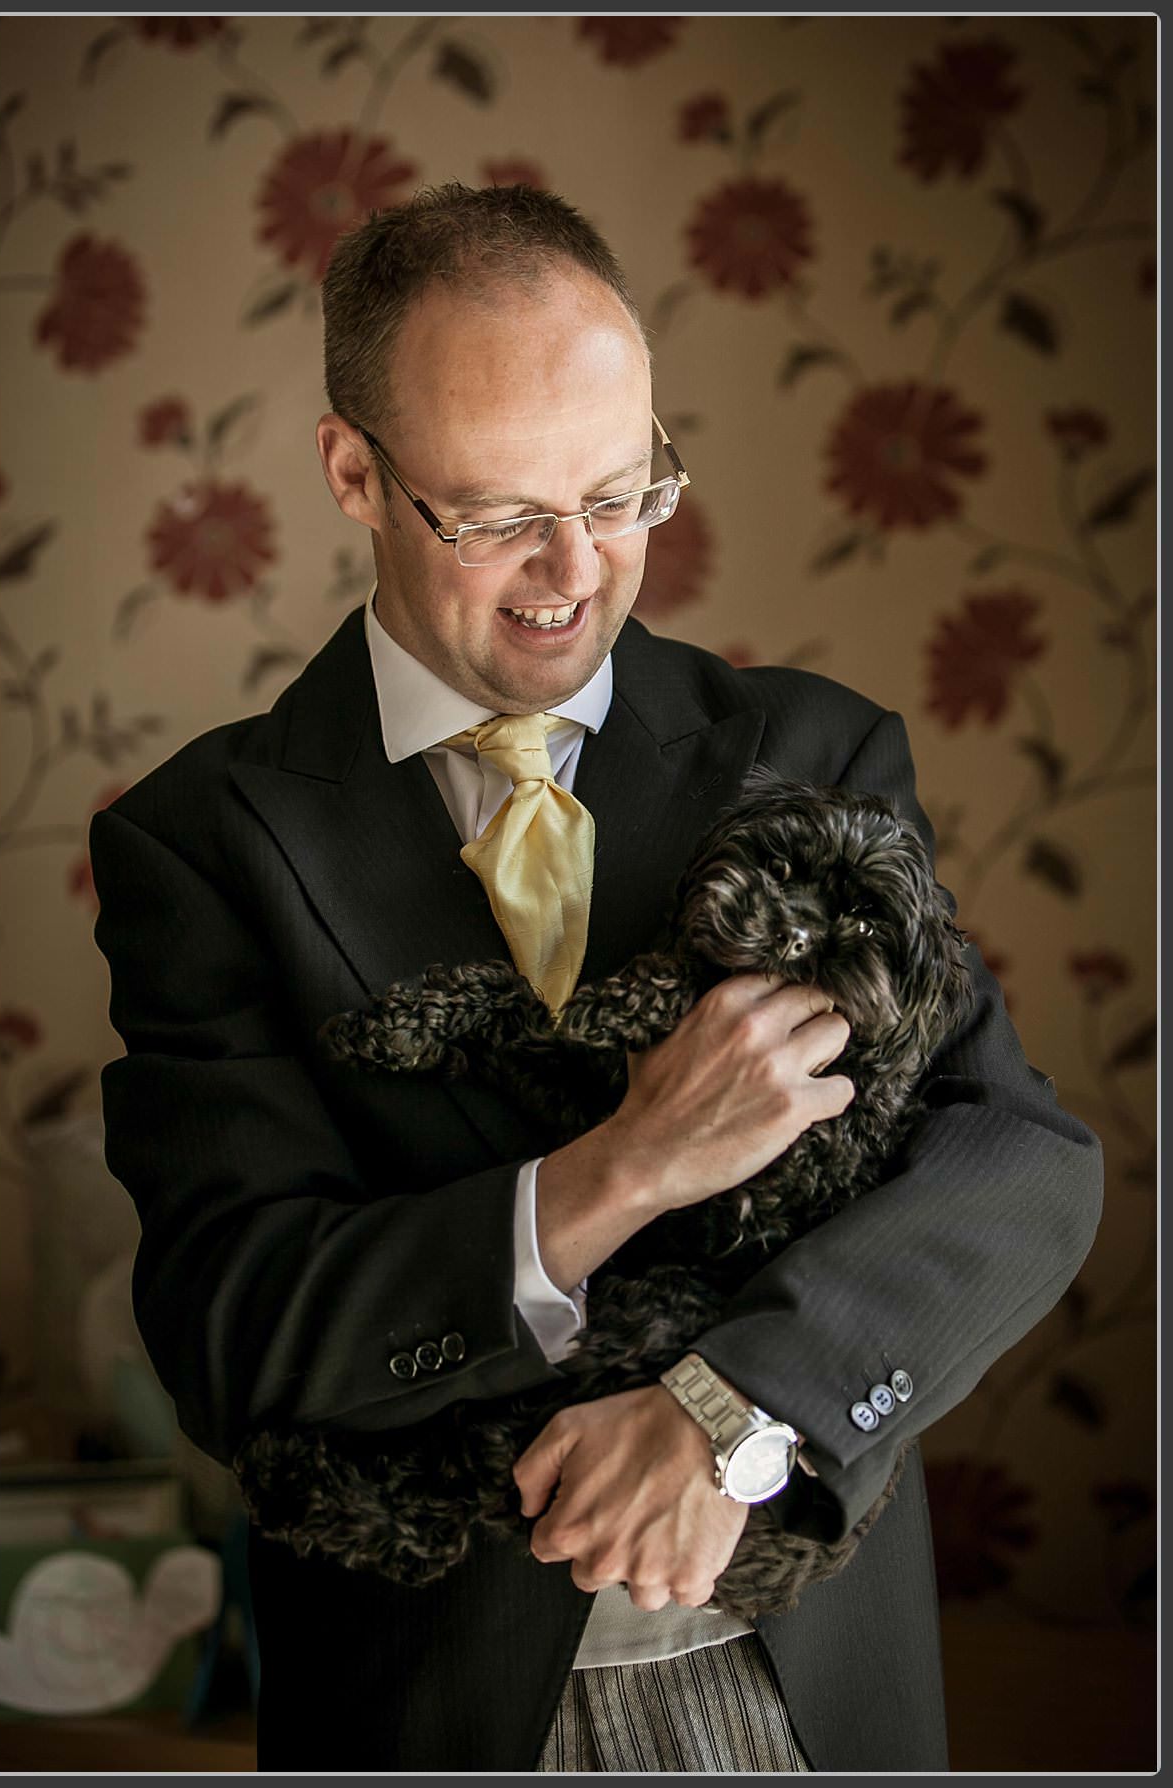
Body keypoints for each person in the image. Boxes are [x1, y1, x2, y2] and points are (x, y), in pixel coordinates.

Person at [88, 184, 1101, 1772]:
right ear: (354, 471)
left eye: (623, 494)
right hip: (426, 1704)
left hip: (809, 1684)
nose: (575, 571)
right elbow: (237, 1330)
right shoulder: (201, 846)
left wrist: (738, 1411)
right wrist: (617, 1170)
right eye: (496, 515)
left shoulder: (813, 755)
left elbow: (1019, 1162)